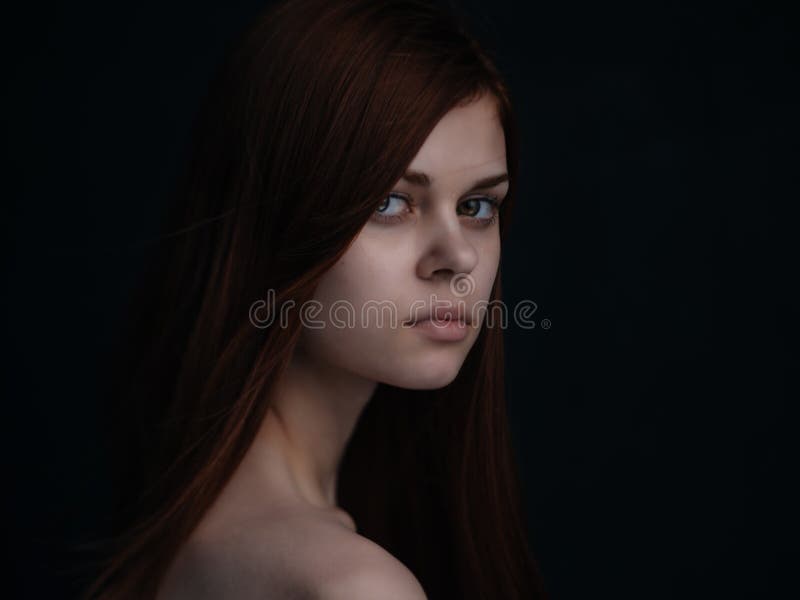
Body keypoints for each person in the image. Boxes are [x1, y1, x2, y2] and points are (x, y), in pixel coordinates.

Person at [81, 0, 547, 598]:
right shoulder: (354, 585)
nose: (458, 257)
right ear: (274, 221)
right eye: (389, 202)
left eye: (477, 206)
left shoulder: (202, 521)